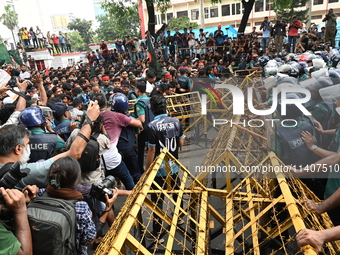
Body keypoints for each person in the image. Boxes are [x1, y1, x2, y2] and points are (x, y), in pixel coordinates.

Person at [145, 94, 185, 242]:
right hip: (174, 166)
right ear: (166, 107)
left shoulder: (151, 126)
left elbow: (151, 151)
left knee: (157, 200)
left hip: (159, 170)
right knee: (177, 193)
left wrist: (147, 170)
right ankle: (179, 217)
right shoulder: (175, 121)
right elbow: (181, 143)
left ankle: (158, 233)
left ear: (153, 110)